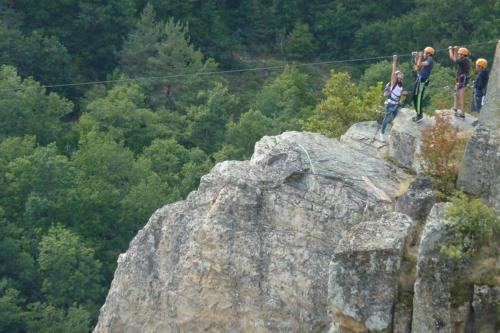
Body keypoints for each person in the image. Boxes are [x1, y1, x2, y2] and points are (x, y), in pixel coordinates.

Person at [380, 55, 408, 141]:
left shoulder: (400, 84)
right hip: (390, 104)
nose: (401, 75)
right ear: (396, 76)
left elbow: (398, 93)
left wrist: (404, 93)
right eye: (399, 74)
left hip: (396, 104)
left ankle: (391, 135)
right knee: (386, 119)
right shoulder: (393, 82)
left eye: (401, 75)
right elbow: (393, 72)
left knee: (396, 121)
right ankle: (382, 133)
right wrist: (394, 61)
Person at [412, 46, 434, 122]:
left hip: (422, 80)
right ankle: (418, 113)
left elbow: (419, 65)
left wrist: (420, 56)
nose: (423, 54)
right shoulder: (428, 60)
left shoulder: (430, 60)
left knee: (418, 97)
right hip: (420, 79)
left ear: (428, 53)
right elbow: (417, 68)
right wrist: (417, 58)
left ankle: (419, 114)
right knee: (414, 96)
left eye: (424, 52)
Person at [448, 46, 471, 118]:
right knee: (456, 93)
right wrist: (455, 50)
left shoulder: (464, 60)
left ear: (463, 55)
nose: (459, 55)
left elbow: (452, 58)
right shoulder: (464, 59)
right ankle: (455, 107)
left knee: (461, 96)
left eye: (460, 54)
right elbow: (456, 58)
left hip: (462, 78)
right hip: (460, 78)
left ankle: (462, 113)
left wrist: (450, 49)